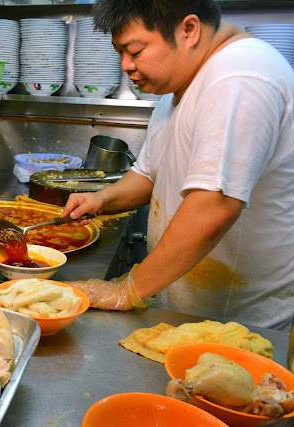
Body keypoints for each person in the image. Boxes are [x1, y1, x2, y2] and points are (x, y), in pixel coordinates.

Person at [63, 0, 294, 330]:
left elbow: (214, 205)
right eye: (120, 52)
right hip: (195, 312)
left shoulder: (240, 75)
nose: (125, 66)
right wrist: (102, 200)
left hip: (245, 321)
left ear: (189, 29)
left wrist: (128, 290)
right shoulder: (181, 87)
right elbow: (149, 174)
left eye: (135, 50)